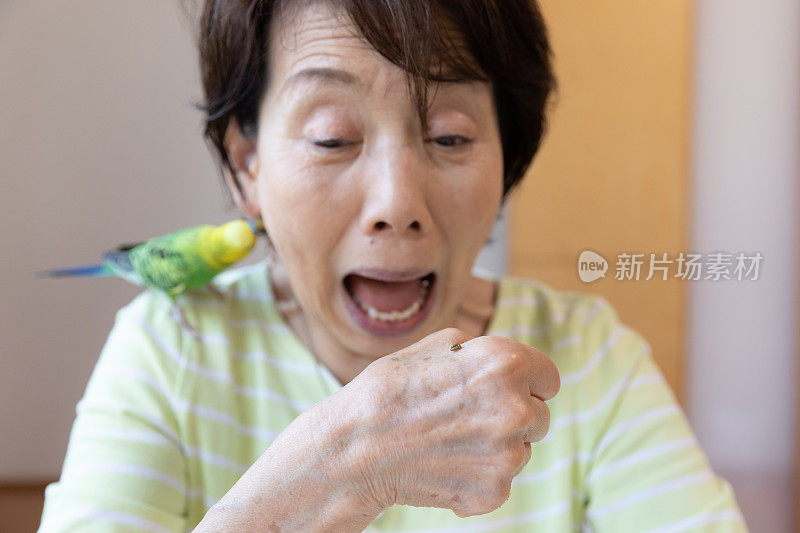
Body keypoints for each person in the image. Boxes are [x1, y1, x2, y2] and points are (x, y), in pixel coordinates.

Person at [39, 0, 747, 531]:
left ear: (509, 158)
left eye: (449, 135)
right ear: (246, 164)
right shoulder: (172, 345)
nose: (396, 202)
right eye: (332, 137)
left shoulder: (590, 358)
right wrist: (340, 465)